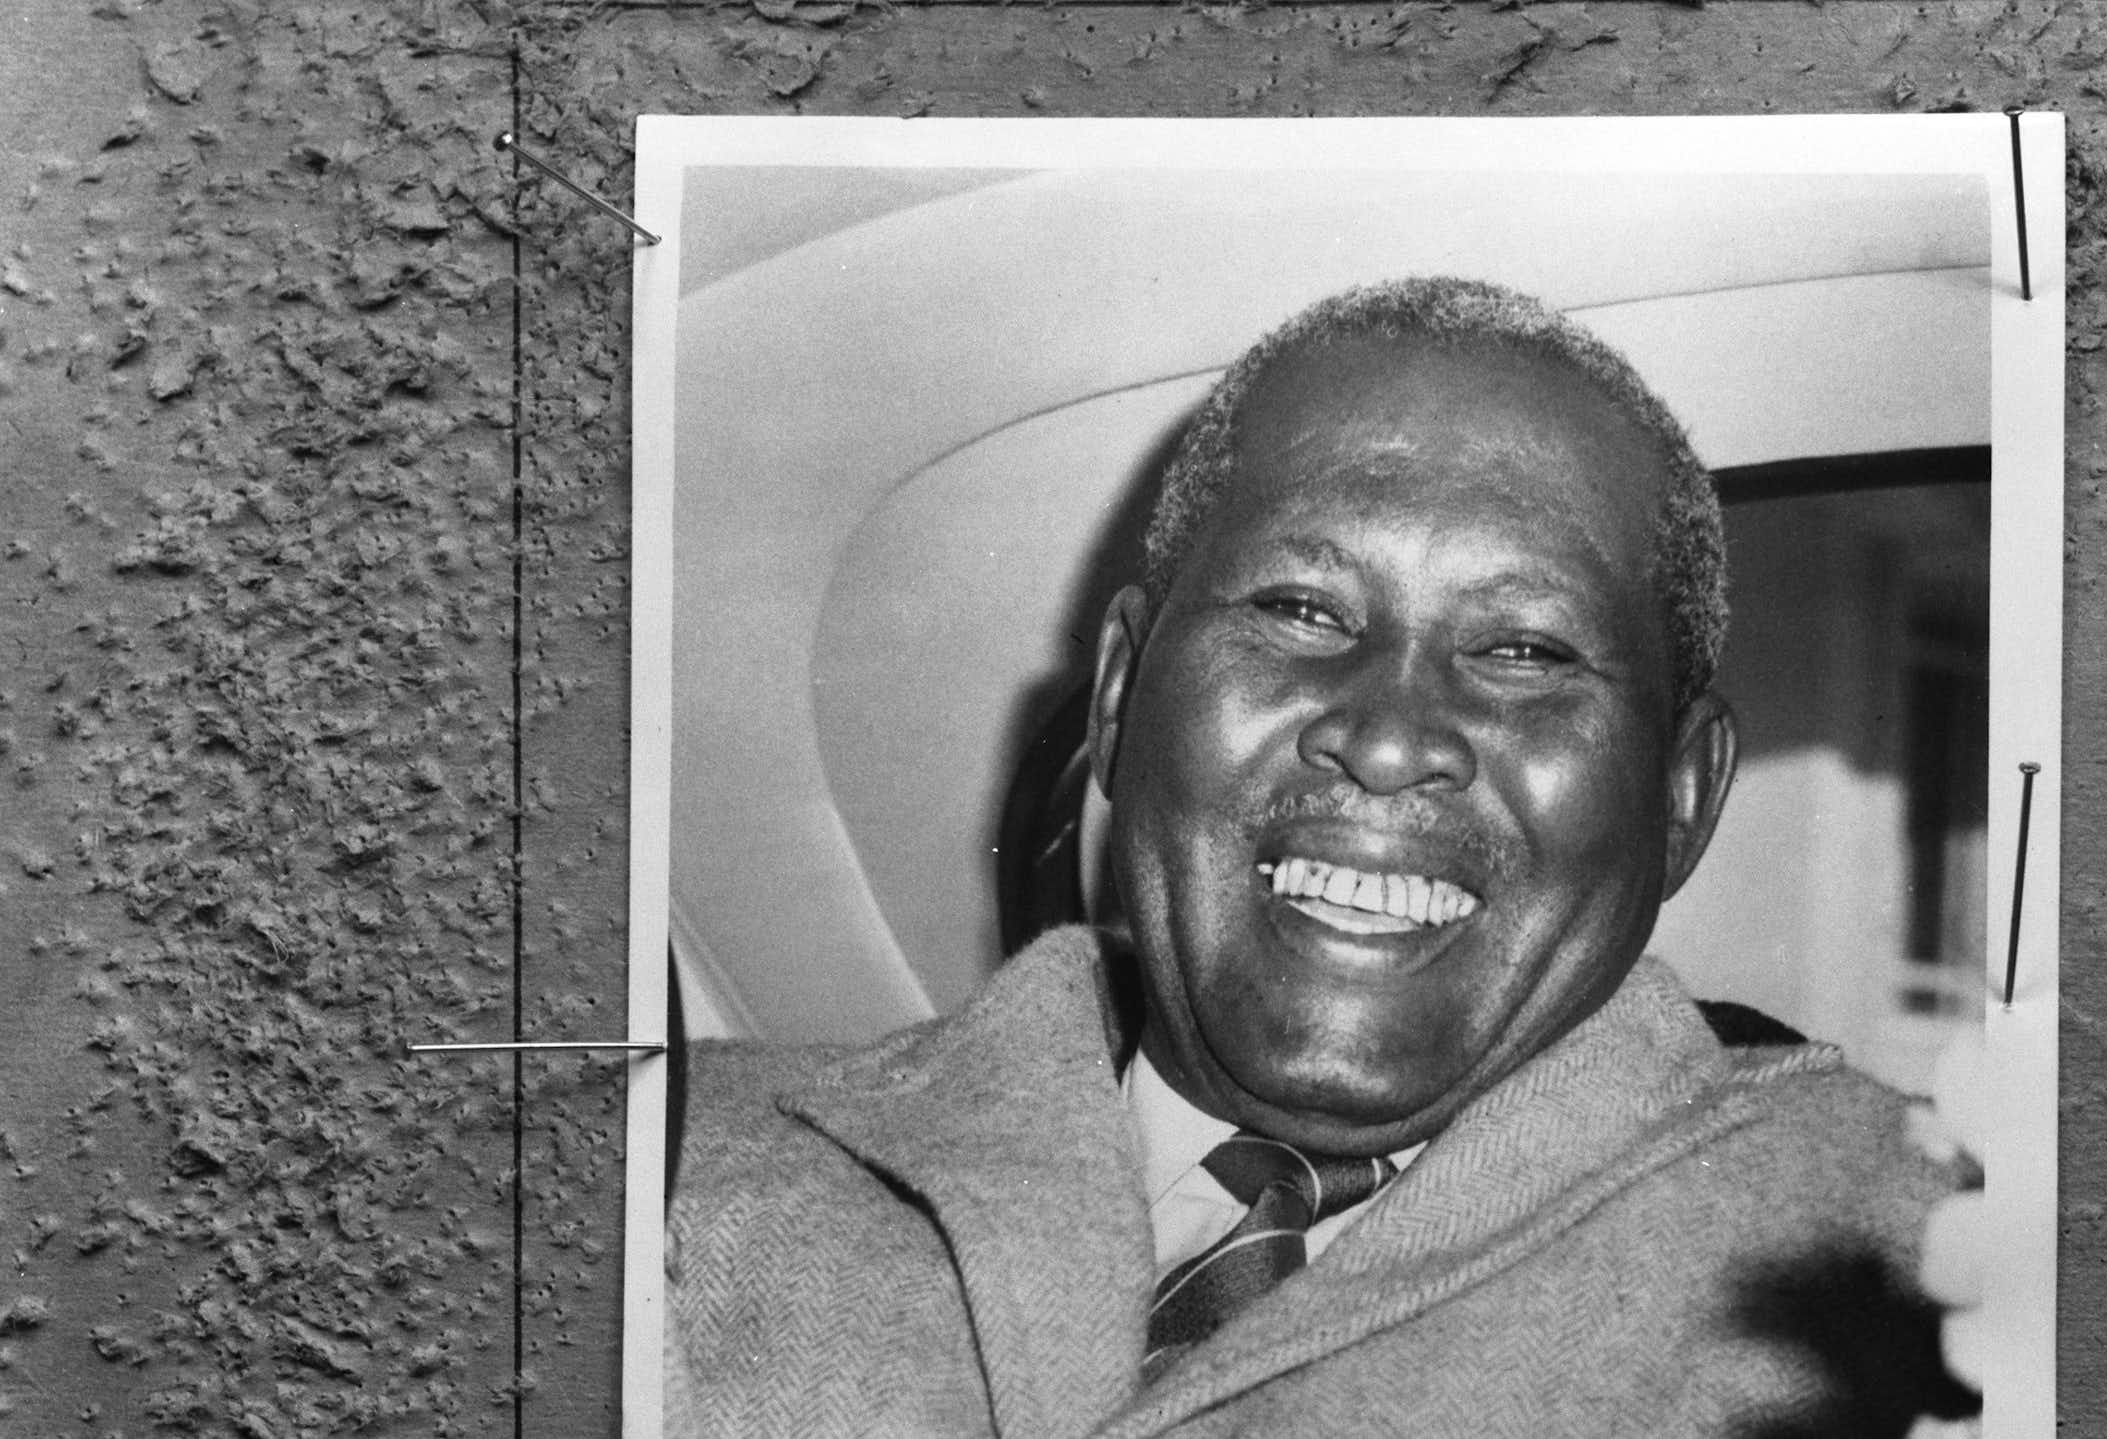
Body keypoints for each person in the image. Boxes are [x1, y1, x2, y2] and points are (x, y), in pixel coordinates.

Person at [665, 277, 1974, 1437]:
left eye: (1524, 649)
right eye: (1301, 608)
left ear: (1683, 796)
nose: (1390, 738)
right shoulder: (666, 1174)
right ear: (1119, 700)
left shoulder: (1927, 1289)